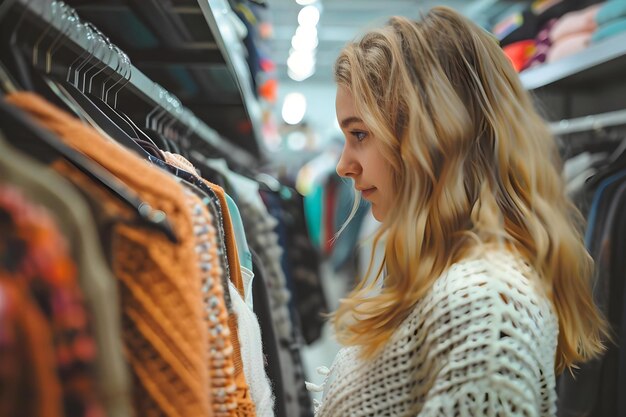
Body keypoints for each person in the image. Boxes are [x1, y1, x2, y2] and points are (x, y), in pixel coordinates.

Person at [308, 6, 610, 417]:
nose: (344, 165)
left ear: (434, 136)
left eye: (359, 134)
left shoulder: (484, 305)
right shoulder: (444, 273)